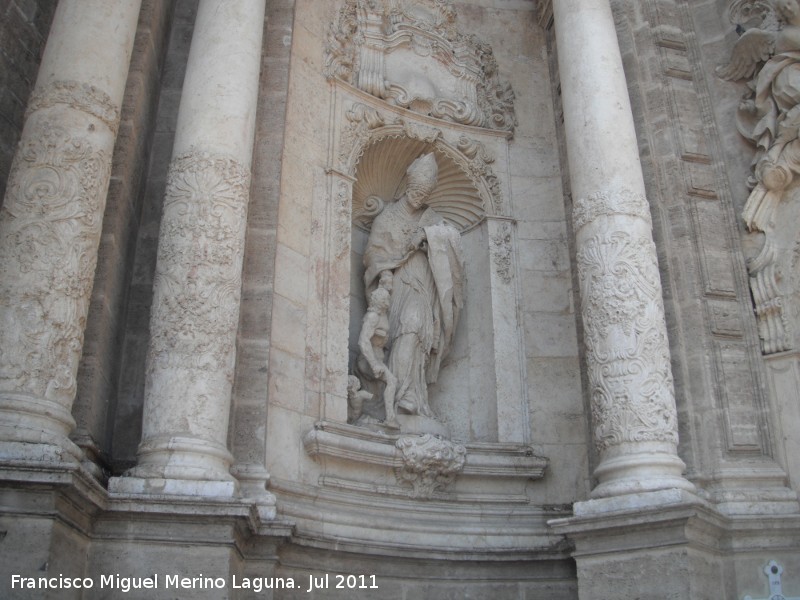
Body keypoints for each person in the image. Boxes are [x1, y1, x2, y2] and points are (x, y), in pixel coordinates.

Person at [362, 152, 465, 419]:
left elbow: (452, 241)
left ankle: (413, 396)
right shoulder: (387, 217)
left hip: (424, 285)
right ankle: (398, 394)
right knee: (405, 329)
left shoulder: (431, 218)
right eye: (417, 191)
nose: (420, 197)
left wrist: (428, 236)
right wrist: (384, 273)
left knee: (416, 330)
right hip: (399, 283)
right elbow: (373, 254)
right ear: (409, 186)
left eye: (425, 193)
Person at [357, 285, 399, 428]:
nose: (388, 301)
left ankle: (381, 415)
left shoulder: (382, 316)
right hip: (368, 360)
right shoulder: (373, 317)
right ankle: (390, 419)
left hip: (378, 357)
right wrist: (374, 363)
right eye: (386, 299)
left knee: (383, 388)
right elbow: (363, 341)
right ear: (380, 301)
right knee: (392, 381)